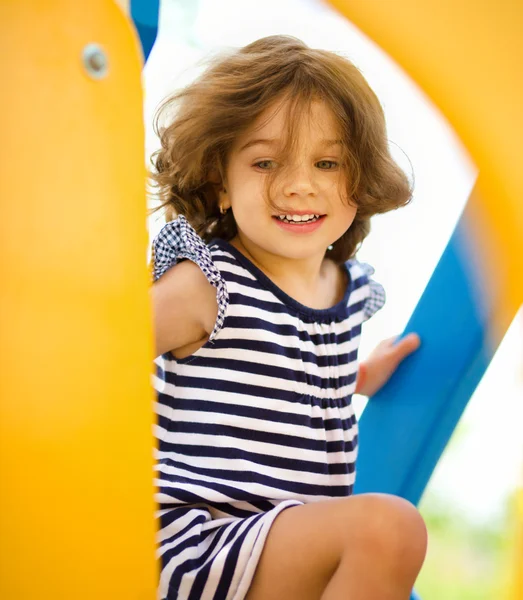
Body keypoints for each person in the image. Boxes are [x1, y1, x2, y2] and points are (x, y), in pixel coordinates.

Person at [150, 35, 426, 600]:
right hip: (194, 543)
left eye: (327, 162)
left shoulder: (349, 293)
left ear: (361, 180)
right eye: (265, 161)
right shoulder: (206, 283)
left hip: (279, 539)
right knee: (387, 529)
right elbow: (85, 352)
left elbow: (283, 374)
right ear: (220, 182)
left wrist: (359, 377)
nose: (299, 184)